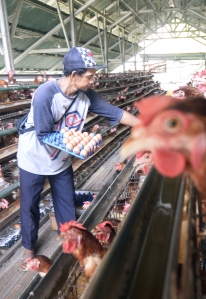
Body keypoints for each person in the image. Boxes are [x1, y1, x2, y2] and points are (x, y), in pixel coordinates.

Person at [17, 47, 140, 269]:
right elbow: (44, 134)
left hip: (61, 159)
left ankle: (72, 246)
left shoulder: (87, 96)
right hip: (34, 158)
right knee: (29, 206)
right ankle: (28, 247)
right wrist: (79, 145)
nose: (93, 80)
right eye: (90, 76)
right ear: (74, 75)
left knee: (65, 201)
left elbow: (116, 113)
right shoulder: (45, 94)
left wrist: (144, 124)